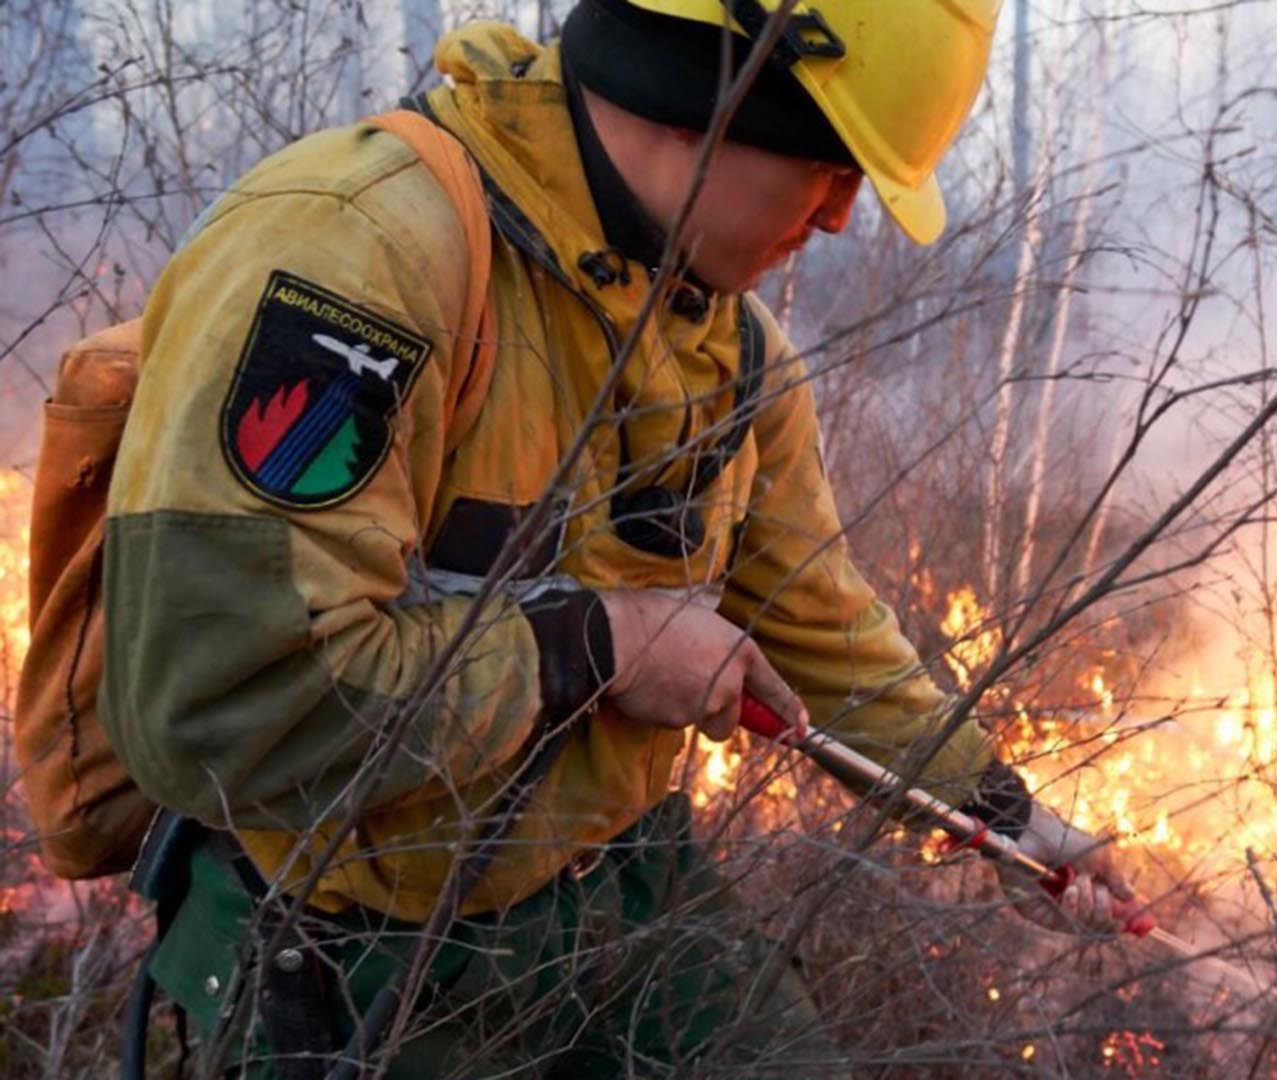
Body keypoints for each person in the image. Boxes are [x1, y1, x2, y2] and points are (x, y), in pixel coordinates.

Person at [99, 1, 1136, 1075]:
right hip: (358, 944)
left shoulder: (732, 348)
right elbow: (219, 701)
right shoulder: (359, 258)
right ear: (701, 92)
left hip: (627, 892)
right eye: (829, 167)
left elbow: (822, 626)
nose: (838, 220)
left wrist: (1002, 814)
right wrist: (599, 644)